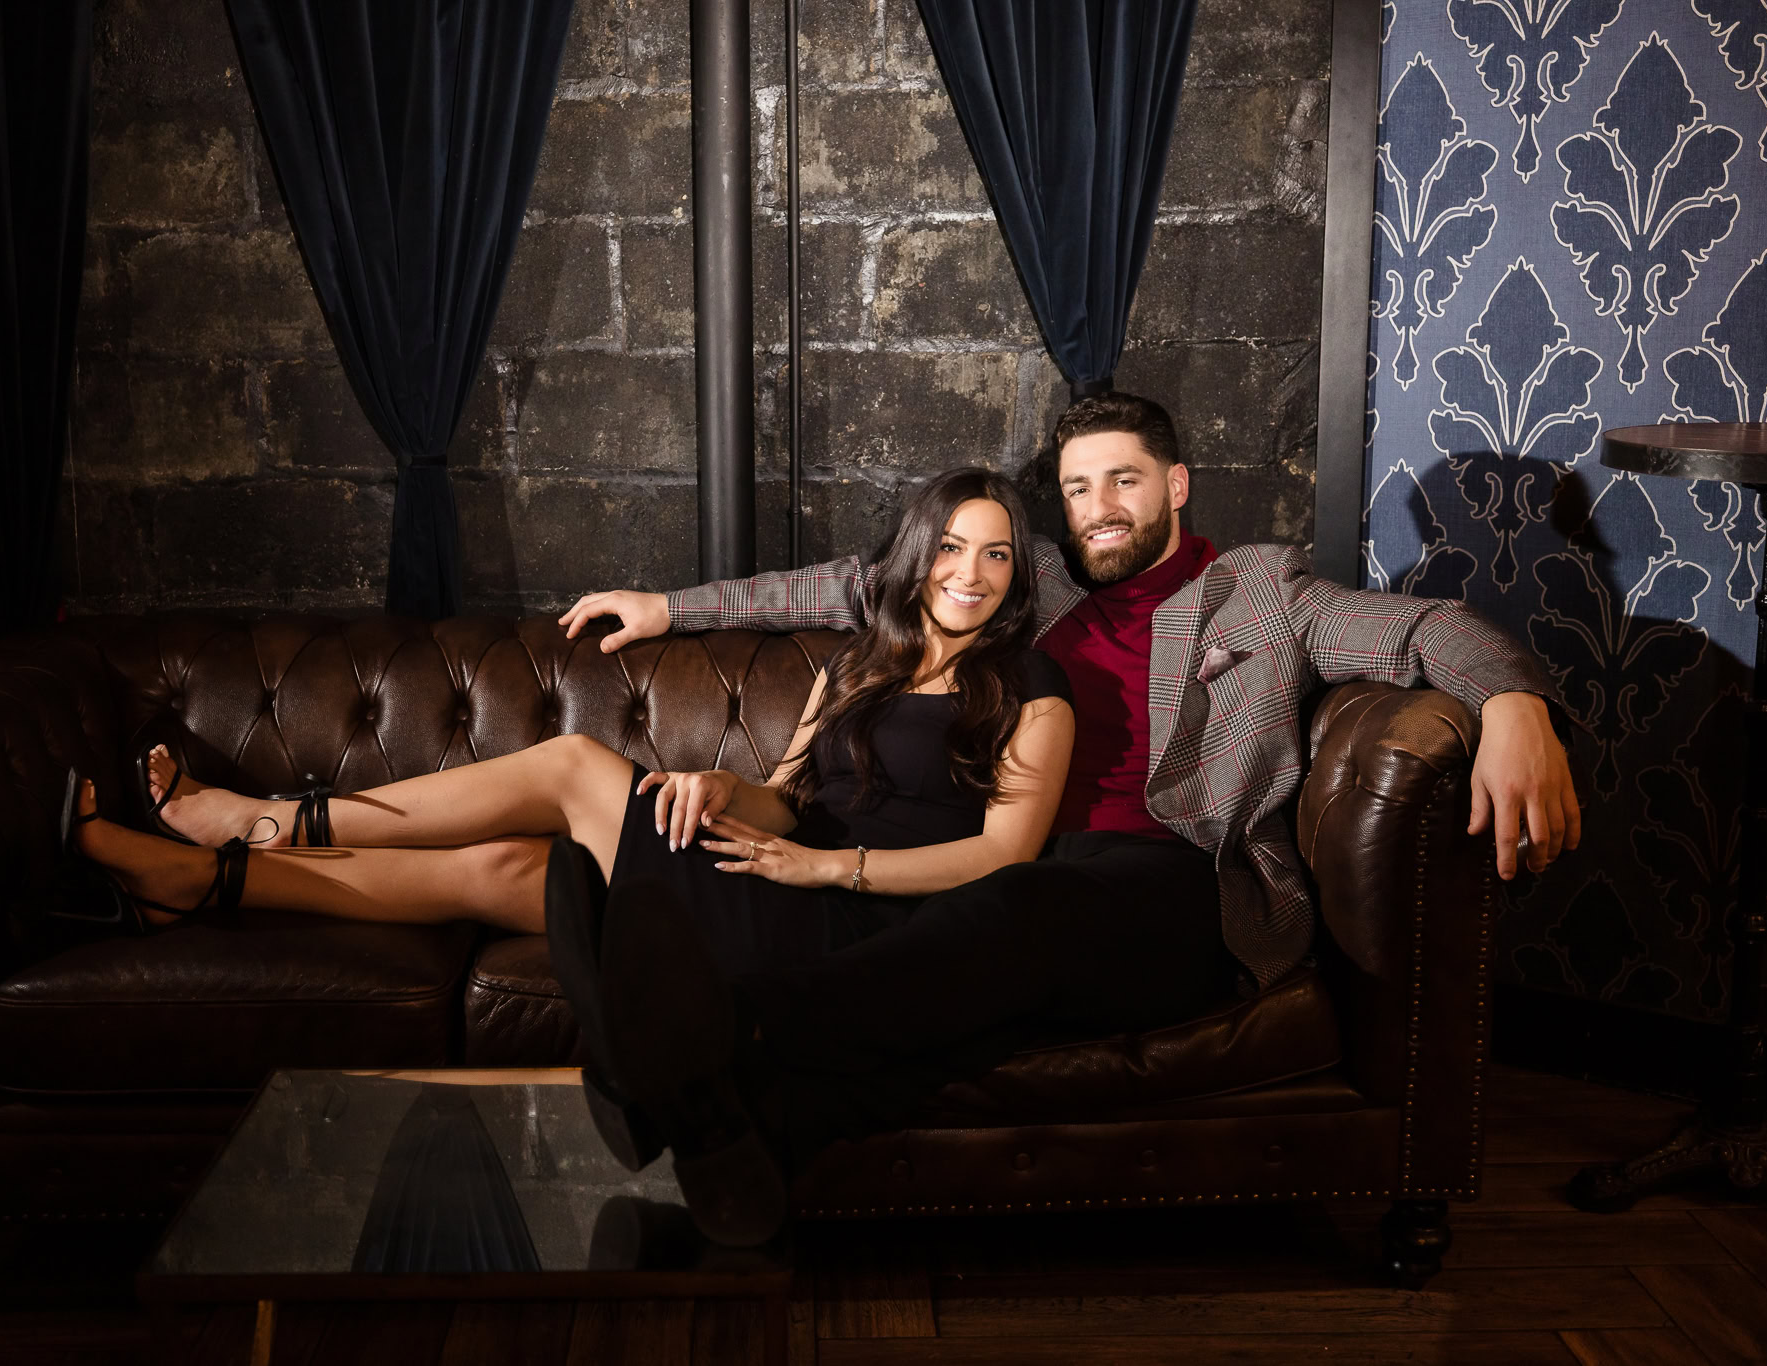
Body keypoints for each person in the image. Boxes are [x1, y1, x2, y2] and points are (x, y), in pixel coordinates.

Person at [550, 391, 1580, 1246]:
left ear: (1175, 486)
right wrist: (669, 609)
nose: (1098, 508)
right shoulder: (1031, 580)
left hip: (1172, 879)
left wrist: (1512, 703)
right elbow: (861, 582)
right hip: (1030, 872)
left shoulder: (1263, 592)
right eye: (1079, 488)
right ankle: (749, 1132)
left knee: (1018, 902)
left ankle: (725, 1031)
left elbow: (1425, 625)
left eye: (1123, 481)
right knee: (983, 943)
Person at [64, 470, 1076, 981]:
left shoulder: (1029, 684)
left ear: (1018, 574)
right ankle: (205, 882)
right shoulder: (855, 661)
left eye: (996, 555)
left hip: (852, 923)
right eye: (951, 547)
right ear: (915, 557)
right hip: (769, 864)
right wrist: (725, 789)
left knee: (569, 766)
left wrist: (826, 870)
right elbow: (784, 797)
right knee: (503, 869)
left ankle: (268, 818)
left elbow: (1005, 854)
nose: (970, 574)